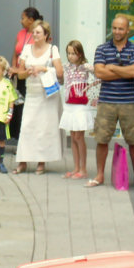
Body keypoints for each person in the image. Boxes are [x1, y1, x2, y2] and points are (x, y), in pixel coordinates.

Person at [86, 15, 134, 189]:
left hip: (129, 102)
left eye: (121, 28)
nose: (117, 31)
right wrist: (123, 71)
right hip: (106, 101)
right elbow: (99, 73)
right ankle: (99, 175)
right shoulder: (102, 48)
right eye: (114, 28)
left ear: (128, 30)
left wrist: (111, 67)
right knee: (102, 139)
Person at [12, 20, 63, 175]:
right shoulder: (27, 49)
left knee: (44, 128)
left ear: (46, 35)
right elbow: (20, 74)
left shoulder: (53, 49)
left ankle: (41, 162)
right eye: (33, 32)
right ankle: (23, 162)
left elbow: (60, 72)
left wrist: (43, 68)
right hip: (32, 92)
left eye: (38, 32)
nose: (35, 35)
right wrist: (27, 72)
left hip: (48, 94)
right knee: (27, 126)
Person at [60, 40, 97, 180]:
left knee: (79, 136)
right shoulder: (66, 67)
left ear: (80, 54)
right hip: (70, 104)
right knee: (73, 136)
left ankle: (83, 169)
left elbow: (98, 75)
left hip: (81, 105)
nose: (70, 56)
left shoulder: (85, 67)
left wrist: (90, 87)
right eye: (68, 53)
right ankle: (76, 167)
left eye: (73, 53)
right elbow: (60, 78)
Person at [9, 7, 42, 140]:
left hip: (31, 75)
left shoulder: (37, 35)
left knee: (26, 108)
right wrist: (13, 68)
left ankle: (28, 138)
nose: (21, 21)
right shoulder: (21, 33)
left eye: (23, 18)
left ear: (31, 20)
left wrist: (19, 70)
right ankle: (18, 137)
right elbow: (15, 53)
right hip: (19, 76)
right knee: (18, 105)